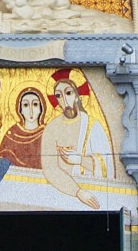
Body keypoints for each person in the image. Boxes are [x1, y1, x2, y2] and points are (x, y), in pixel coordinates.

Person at [39, 72, 113, 209]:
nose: (64, 100)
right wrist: (78, 192)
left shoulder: (92, 126)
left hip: (94, 192)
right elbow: (50, 168)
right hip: (61, 195)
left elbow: (107, 166)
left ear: (77, 96)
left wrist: (80, 160)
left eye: (68, 93)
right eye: (58, 96)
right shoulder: (51, 128)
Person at [0, 87, 47, 209]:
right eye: (26, 105)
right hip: (16, 190)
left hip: (43, 191)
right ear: (20, 109)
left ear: (41, 108)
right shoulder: (13, 134)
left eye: (35, 104)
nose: (31, 110)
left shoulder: (48, 134)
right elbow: (3, 162)